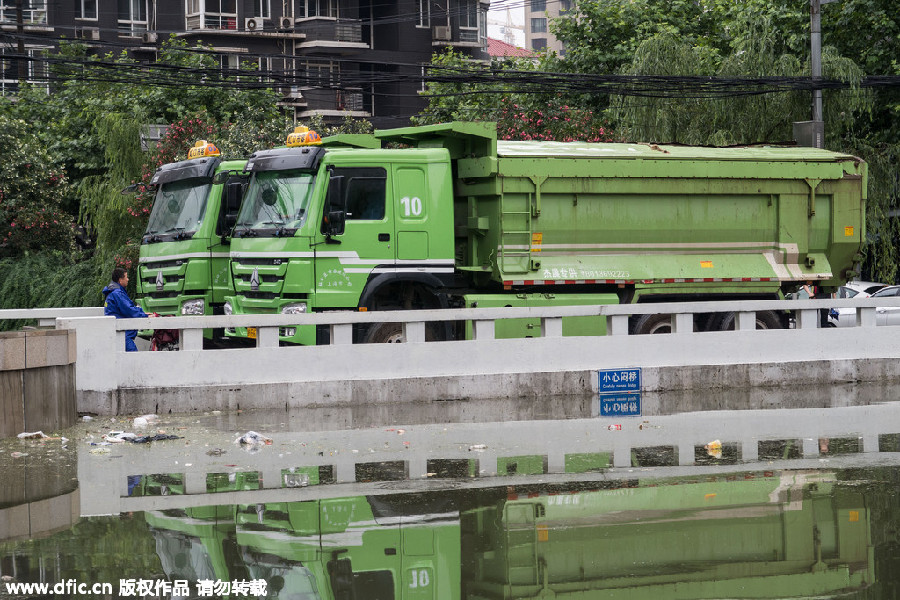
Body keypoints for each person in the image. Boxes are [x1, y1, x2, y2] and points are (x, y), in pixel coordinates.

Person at [102, 267, 149, 352]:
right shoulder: (117, 294)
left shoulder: (114, 293)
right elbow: (129, 310)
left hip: (117, 332)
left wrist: (143, 313)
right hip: (122, 333)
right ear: (120, 280)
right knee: (133, 357)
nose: (128, 279)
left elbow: (128, 308)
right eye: (126, 277)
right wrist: (145, 315)